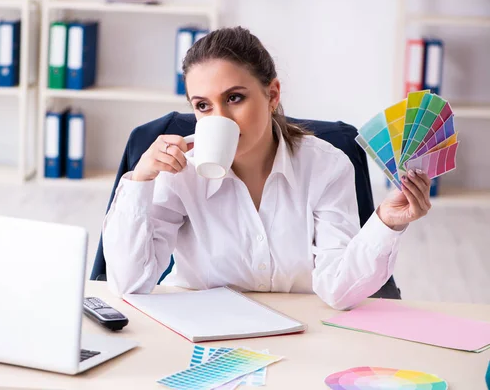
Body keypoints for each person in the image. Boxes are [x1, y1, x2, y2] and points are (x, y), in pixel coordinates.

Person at [102, 27, 432, 310]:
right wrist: (140, 180)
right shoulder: (180, 172)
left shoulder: (325, 166)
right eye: (203, 106)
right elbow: (129, 283)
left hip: (302, 333)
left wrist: (386, 224)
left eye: (234, 98)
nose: (219, 119)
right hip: (203, 336)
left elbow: (338, 288)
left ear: (272, 95)